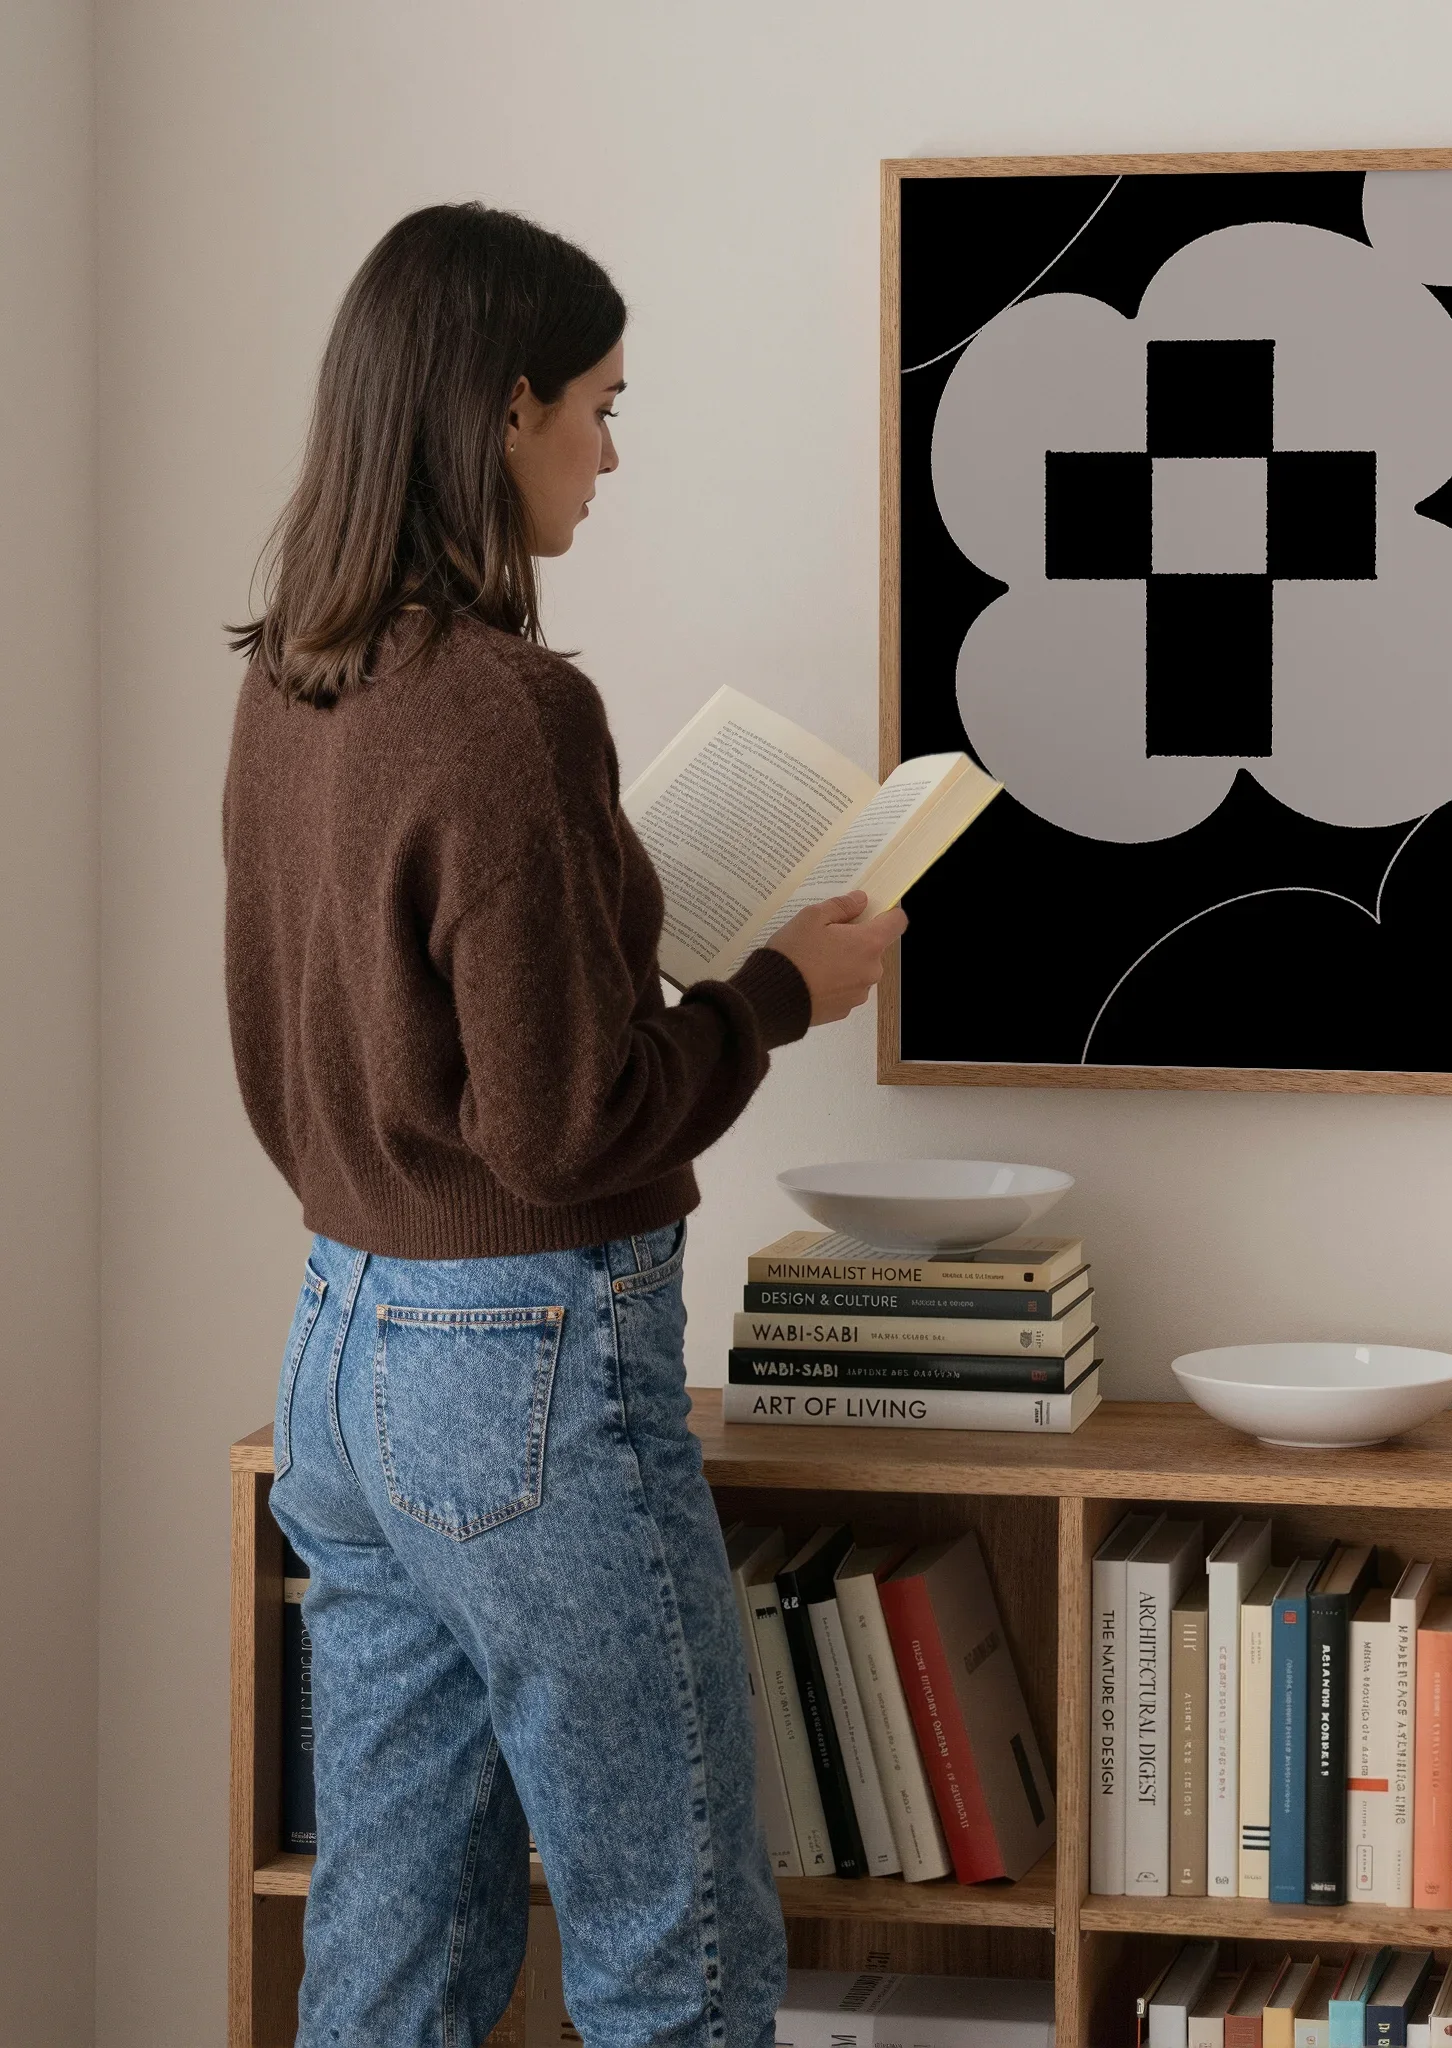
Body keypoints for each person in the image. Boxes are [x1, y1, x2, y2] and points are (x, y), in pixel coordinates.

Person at [222, 202, 901, 2048]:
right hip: (522, 1369)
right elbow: (562, 1128)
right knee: (671, 1949)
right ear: (502, 405)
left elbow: (328, 1049)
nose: (610, 451)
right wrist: (777, 996)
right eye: (599, 405)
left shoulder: (294, 675)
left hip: (341, 1360)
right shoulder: (510, 707)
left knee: (393, 1945)